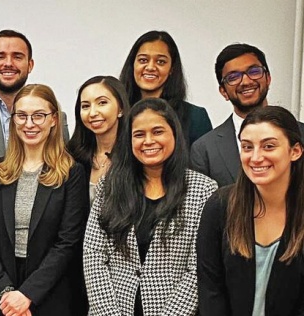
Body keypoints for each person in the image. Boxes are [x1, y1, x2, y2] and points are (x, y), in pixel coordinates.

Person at [83, 98, 217, 315]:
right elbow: (94, 254)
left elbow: (198, 269)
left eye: (157, 132)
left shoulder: (202, 190)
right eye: (139, 134)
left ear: (174, 134)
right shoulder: (111, 185)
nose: (148, 141)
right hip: (114, 309)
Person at [0, 84, 89, 315]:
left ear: (54, 120)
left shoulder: (72, 173)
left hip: (49, 295)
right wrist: (6, 292)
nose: (29, 124)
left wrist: (27, 295)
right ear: (13, 120)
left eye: (39, 116)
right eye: (22, 116)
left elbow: (68, 243)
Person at [197, 106, 304, 315]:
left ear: (295, 151)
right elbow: (211, 289)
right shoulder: (220, 205)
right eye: (247, 147)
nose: (255, 157)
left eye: (269, 146)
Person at [190, 44, 304, 187]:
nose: (246, 81)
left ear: (268, 78)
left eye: (254, 71)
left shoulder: (301, 133)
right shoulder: (204, 149)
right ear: (223, 91)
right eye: (233, 77)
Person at [0, 30, 68, 175]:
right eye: (0, 56)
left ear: (30, 65)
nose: (8, 63)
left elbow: (64, 168)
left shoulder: (55, 118)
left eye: (17, 57)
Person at [119, 30, 212, 147]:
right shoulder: (117, 114)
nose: (150, 67)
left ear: (172, 69)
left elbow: (203, 163)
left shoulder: (195, 117)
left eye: (160, 62)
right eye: (143, 60)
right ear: (133, 64)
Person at [67, 75, 130, 203]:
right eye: (85, 106)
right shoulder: (72, 156)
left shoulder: (134, 155)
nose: (93, 113)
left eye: (102, 103)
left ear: (121, 109)